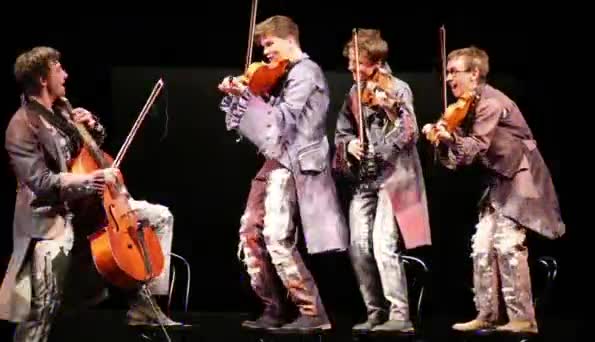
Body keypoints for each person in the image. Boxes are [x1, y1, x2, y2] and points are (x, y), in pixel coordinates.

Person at [0, 46, 180, 342]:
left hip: (90, 207)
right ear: (43, 78)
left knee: (159, 217)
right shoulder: (22, 125)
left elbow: (90, 151)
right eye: (59, 69)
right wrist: (92, 179)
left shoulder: (63, 109)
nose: (66, 75)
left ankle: (144, 306)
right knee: (43, 309)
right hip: (51, 220)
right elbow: (43, 183)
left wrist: (93, 126)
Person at [421, 46, 565, 334]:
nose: (449, 79)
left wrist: (450, 138)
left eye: (454, 72)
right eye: (447, 72)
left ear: (474, 74)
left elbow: (476, 147)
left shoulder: (490, 103)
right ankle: (487, 313)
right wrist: (443, 138)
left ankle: (523, 319)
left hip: (521, 176)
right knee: (483, 245)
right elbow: (460, 160)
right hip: (498, 181)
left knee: (508, 244)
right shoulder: (467, 106)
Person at [218, 15, 349, 332]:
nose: (265, 53)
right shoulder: (284, 74)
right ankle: (274, 307)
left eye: (269, 44)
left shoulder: (306, 72)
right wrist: (242, 99)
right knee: (249, 232)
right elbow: (260, 127)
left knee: (277, 236)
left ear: (289, 39)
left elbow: (283, 120)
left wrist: (251, 99)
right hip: (276, 158)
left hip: (295, 161)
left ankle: (312, 312)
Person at [332, 29, 431, 333]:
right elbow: (342, 131)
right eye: (350, 62)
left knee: (382, 243)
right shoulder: (353, 93)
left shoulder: (398, 89)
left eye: (357, 62)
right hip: (365, 179)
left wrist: (390, 111)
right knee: (358, 245)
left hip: (393, 176)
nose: (351, 68)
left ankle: (400, 315)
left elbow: (409, 132)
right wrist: (349, 145)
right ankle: (375, 311)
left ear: (374, 62)